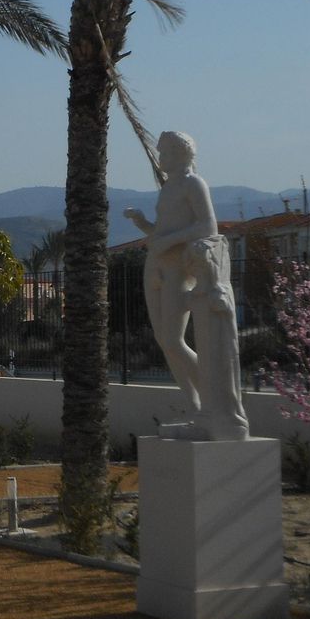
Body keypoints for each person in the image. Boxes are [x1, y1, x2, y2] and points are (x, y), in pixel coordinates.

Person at [124, 132, 217, 413]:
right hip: (156, 266)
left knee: (175, 341)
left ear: (180, 153)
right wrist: (143, 224)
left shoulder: (193, 183)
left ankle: (213, 397)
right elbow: (162, 232)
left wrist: (169, 241)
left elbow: (208, 226)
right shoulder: (168, 187)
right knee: (164, 341)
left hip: (178, 268)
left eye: (164, 152)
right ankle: (195, 406)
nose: (160, 157)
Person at [184, 235, 249, 440]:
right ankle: (209, 412)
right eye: (193, 265)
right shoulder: (197, 294)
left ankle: (227, 417)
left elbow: (223, 307)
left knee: (221, 376)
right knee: (206, 373)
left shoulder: (218, 292)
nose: (194, 269)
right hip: (205, 347)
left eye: (198, 264)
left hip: (220, 347)